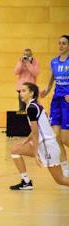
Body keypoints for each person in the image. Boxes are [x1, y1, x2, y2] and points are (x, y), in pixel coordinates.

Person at [9, 82, 69, 190]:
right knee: (15, 150)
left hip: (48, 147)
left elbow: (36, 133)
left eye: (24, 91)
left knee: (60, 180)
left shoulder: (32, 108)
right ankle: (26, 182)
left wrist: (36, 154)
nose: (21, 93)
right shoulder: (34, 106)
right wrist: (26, 141)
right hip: (44, 145)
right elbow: (37, 130)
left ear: (31, 93)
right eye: (20, 91)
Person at [40, 35, 69, 178]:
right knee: (55, 136)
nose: (61, 45)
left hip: (67, 102)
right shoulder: (54, 62)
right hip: (56, 101)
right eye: (59, 43)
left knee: (65, 139)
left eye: (64, 43)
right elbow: (51, 82)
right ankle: (65, 167)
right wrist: (45, 91)